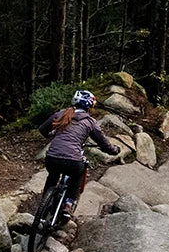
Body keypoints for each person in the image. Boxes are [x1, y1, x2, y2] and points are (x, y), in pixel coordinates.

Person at [39, 90, 119, 219]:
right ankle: (68, 205)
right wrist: (114, 150)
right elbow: (103, 143)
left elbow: (43, 129)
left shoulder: (61, 113)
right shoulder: (90, 122)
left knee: (53, 176)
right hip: (72, 161)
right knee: (78, 174)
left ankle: (43, 203)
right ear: (89, 106)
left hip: (51, 158)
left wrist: (53, 134)